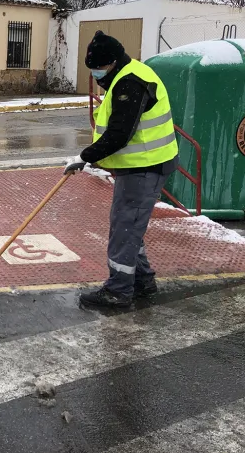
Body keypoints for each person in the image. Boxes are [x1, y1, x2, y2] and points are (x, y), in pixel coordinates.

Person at [65, 31, 179, 308]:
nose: (95, 74)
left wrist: (85, 156)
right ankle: (142, 282)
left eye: (99, 68)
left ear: (113, 62)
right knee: (129, 226)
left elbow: (119, 134)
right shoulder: (124, 76)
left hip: (146, 167)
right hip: (140, 166)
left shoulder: (131, 82)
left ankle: (118, 291)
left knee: (125, 228)